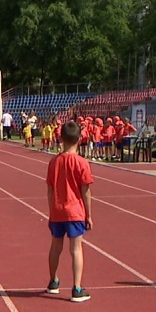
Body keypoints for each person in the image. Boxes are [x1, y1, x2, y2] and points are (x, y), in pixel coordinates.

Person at [46, 121, 93, 302]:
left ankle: (53, 281)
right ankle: (77, 287)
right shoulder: (82, 163)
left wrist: (51, 209)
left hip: (57, 210)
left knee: (55, 246)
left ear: (60, 138)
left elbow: (50, 189)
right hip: (75, 211)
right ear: (79, 139)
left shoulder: (54, 162)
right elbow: (86, 191)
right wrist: (88, 214)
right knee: (76, 248)